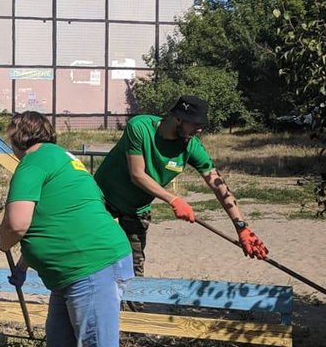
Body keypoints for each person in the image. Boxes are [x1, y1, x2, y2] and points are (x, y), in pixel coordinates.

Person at [0, 112, 135, 347]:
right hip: (70, 271)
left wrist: (2, 242)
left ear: (16, 140)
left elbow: (18, 222)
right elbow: (57, 217)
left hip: (91, 264)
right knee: (59, 345)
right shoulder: (63, 159)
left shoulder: (32, 163)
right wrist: (27, 264)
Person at [93, 95, 269, 276]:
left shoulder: (191, 147)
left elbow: (218, 184)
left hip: (137, 208)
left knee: (134, 267)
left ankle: (132, 304)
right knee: (90, 253)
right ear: (177, 118)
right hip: (101, 198)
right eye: (195, 124)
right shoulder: (140, 127)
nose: (199, 129)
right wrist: (174, 199)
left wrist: (241, 226)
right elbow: (137, 175)